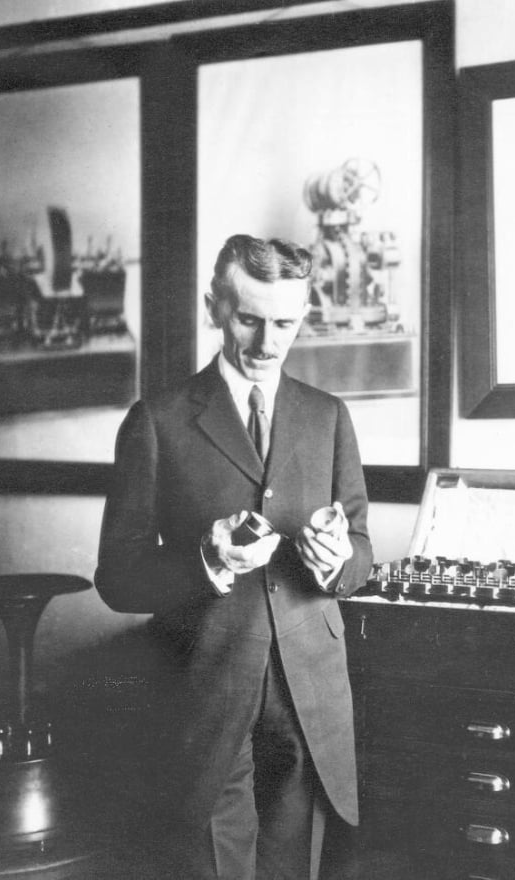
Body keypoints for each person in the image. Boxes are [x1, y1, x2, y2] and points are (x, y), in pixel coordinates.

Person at [95, 234, 373, 879]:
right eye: (249, 318)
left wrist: (336, 559)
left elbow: (360, 555)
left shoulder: (328, 416)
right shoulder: (156, 421)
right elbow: (118, 579)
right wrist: (207, 563)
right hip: (205, 682)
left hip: (310, 688)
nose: (267, 342)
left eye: (285, 322)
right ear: (213, 307)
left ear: (303, 315)